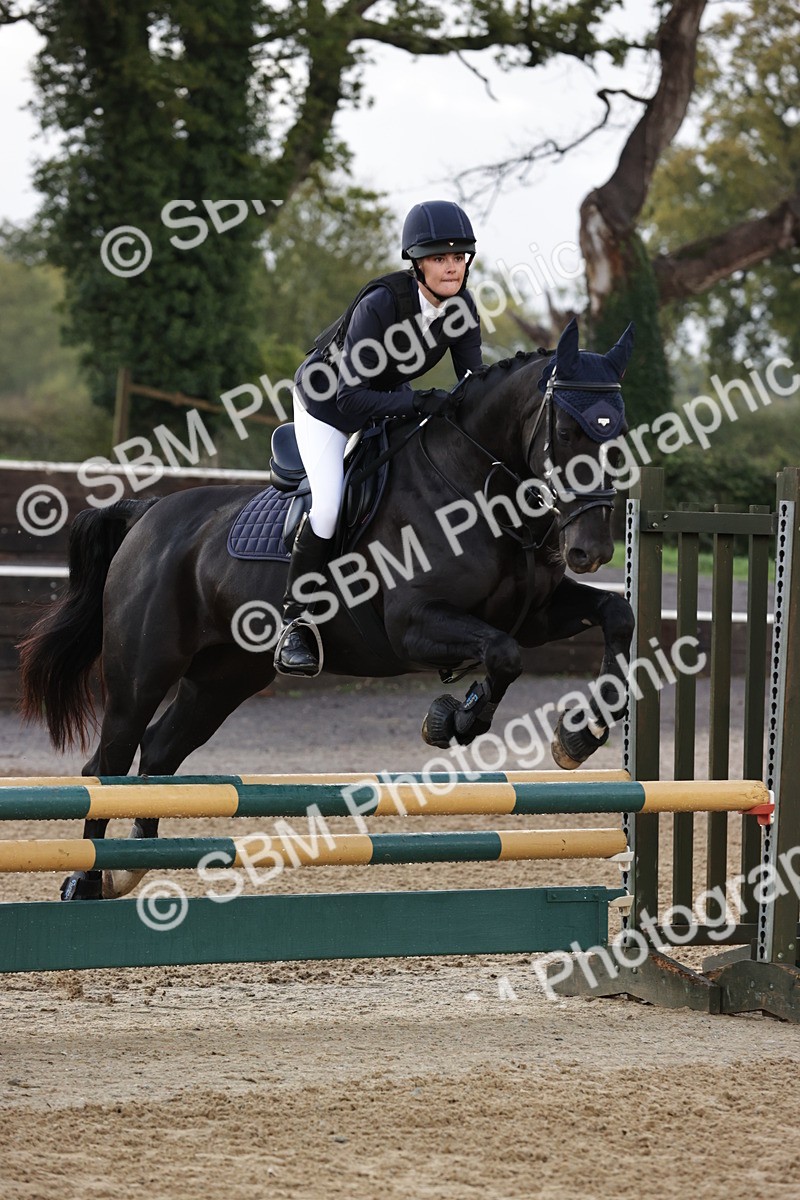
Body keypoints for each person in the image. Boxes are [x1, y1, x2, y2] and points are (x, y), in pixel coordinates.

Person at [275, 199, 484, 676]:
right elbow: (350, 400)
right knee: (328, 505)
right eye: (439, 258)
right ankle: (294, 622)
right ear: (417, 263)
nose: (452, 267)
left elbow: (473, 382)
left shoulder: (462, 308)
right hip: (328, 405)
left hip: (387, 397)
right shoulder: (382, 304)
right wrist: (419, 402)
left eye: (459, 257)